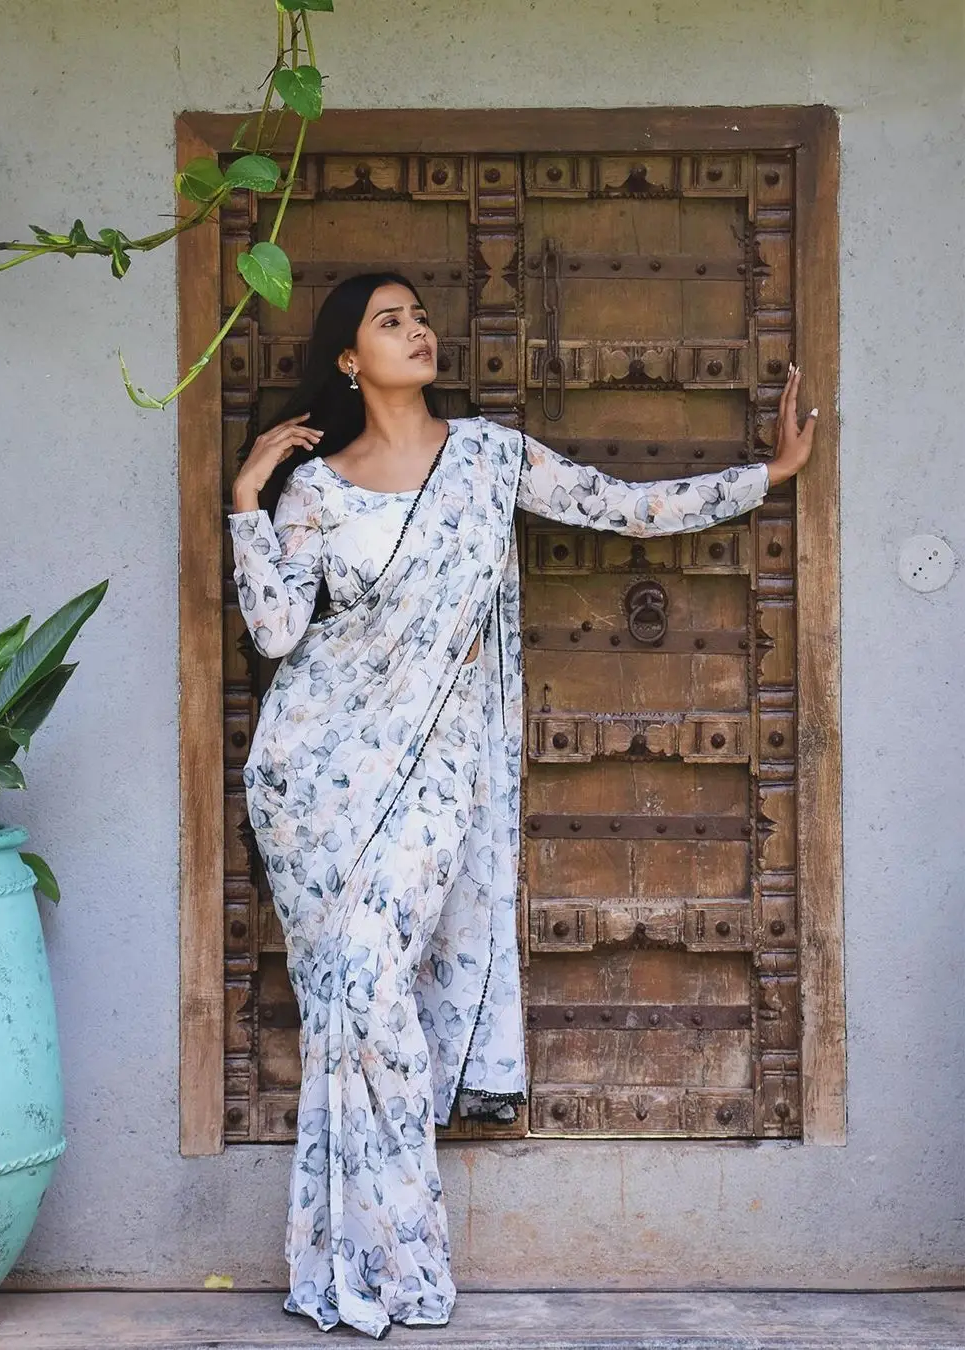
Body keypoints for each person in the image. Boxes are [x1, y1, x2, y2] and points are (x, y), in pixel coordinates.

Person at [228, 272, 817, 1339]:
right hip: (315, 781)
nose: (418, 330)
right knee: (348, 1010)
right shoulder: (317, 491)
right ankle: (356, 1262)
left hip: (434, 778)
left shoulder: (491, 459)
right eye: (390, 322)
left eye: (419, 315)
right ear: (350, 361)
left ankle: (394, 1264)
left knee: (368, 990)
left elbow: (625, 509)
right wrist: (247, 501)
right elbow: (276, 636)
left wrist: (764, 476)